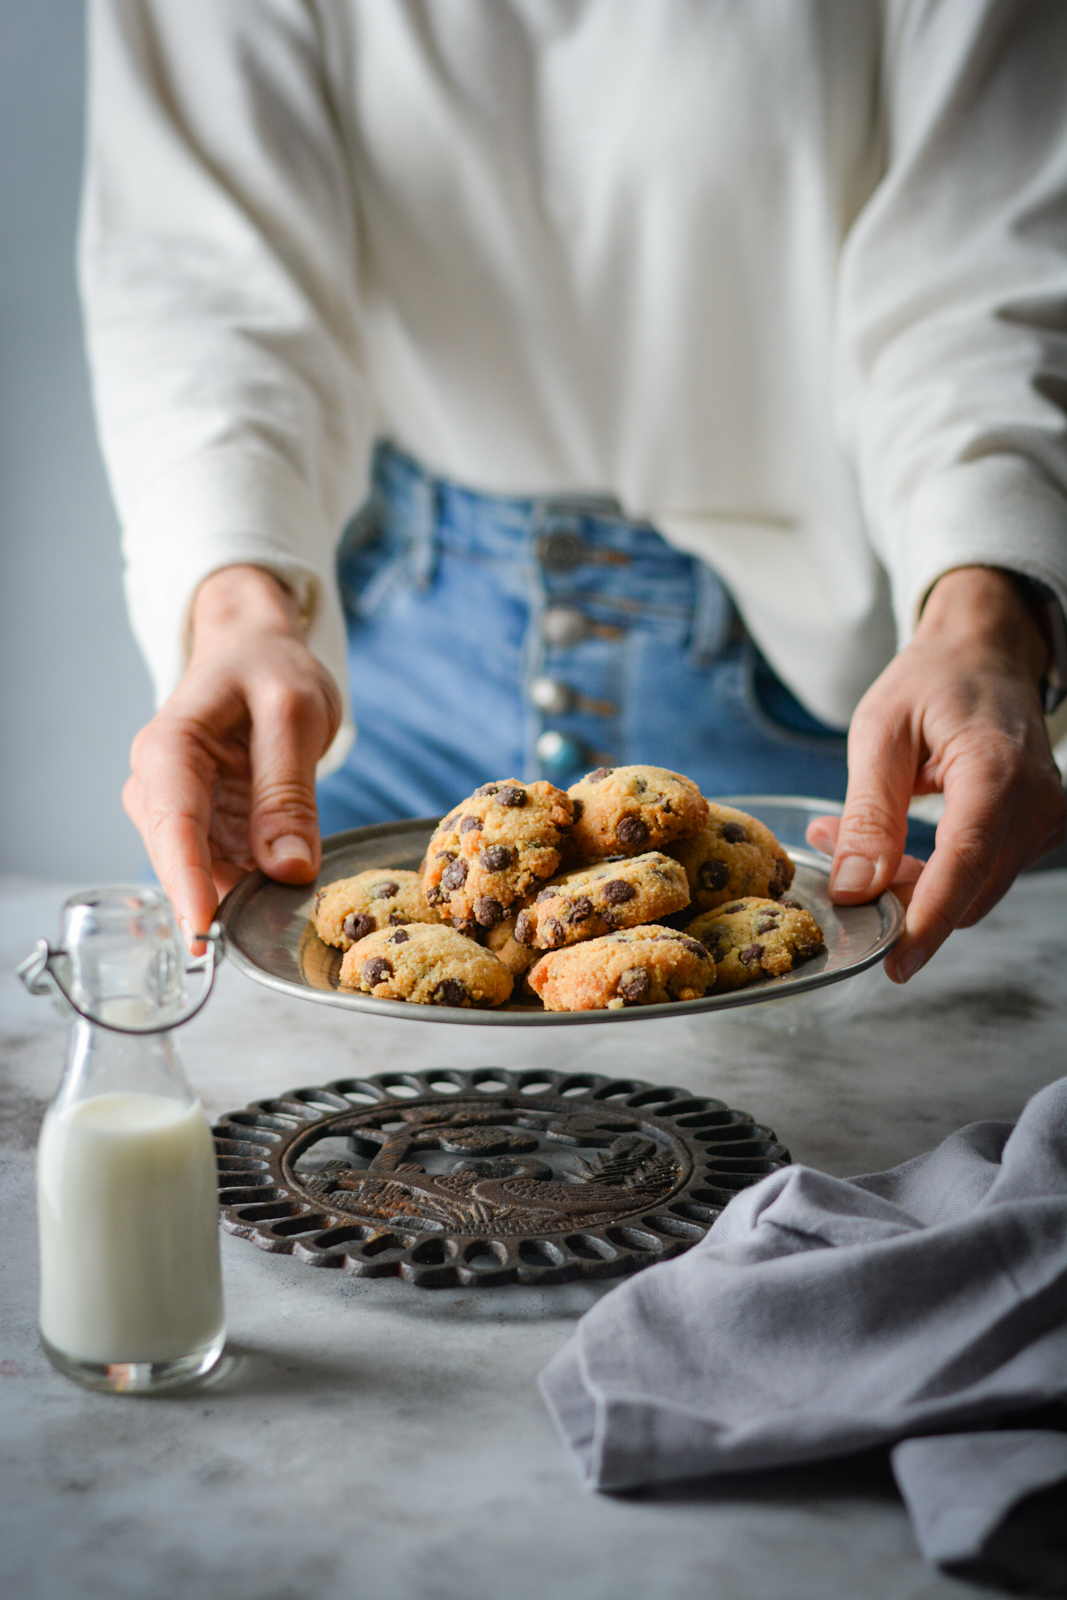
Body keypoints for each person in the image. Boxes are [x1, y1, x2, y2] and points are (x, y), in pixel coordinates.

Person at [81, 1, 1066, 983]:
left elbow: (990, 261)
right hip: (380, 689)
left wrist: (982, 621)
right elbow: (195, 271)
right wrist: (236, 611)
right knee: (194, 1037)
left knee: (871, 1114)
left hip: (816, 702)